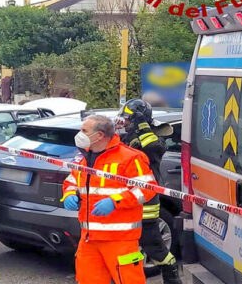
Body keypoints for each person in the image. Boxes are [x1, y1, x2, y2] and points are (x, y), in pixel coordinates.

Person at [62, 115, 157, 284]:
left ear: (99, 135)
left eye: (84, 131)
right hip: (89, 238)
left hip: (120, 240)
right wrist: (69, 193)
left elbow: (147, 189)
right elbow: (71, 180)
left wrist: (116, 201)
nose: (79, 134)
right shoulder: (84, 158)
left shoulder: (130, 157)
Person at [117, 99, 182, 284]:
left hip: (146, 202)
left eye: (128, 119)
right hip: (128, 199)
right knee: (127, 248)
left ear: (138, 119)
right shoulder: (129, 135)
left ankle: (172, 277)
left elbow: (154, 149)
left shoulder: (153, 135)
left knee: (154, 246)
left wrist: (143, 127)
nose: (125, 122)